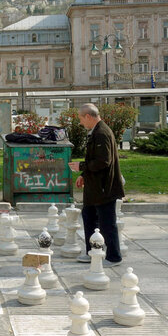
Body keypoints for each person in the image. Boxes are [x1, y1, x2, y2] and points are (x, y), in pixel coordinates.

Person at [67, 103, 123, 267]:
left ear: (88, 117)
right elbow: (95, 158)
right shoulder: (96, 132)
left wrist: (82, 167)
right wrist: (84, 175)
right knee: (89, 217)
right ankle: (93, 251)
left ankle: (114, 256)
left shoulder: (102, 133)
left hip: (104, 187)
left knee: (107, 223)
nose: (81, 123)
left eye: (81, 119)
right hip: (94, 187)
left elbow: (104, 161)